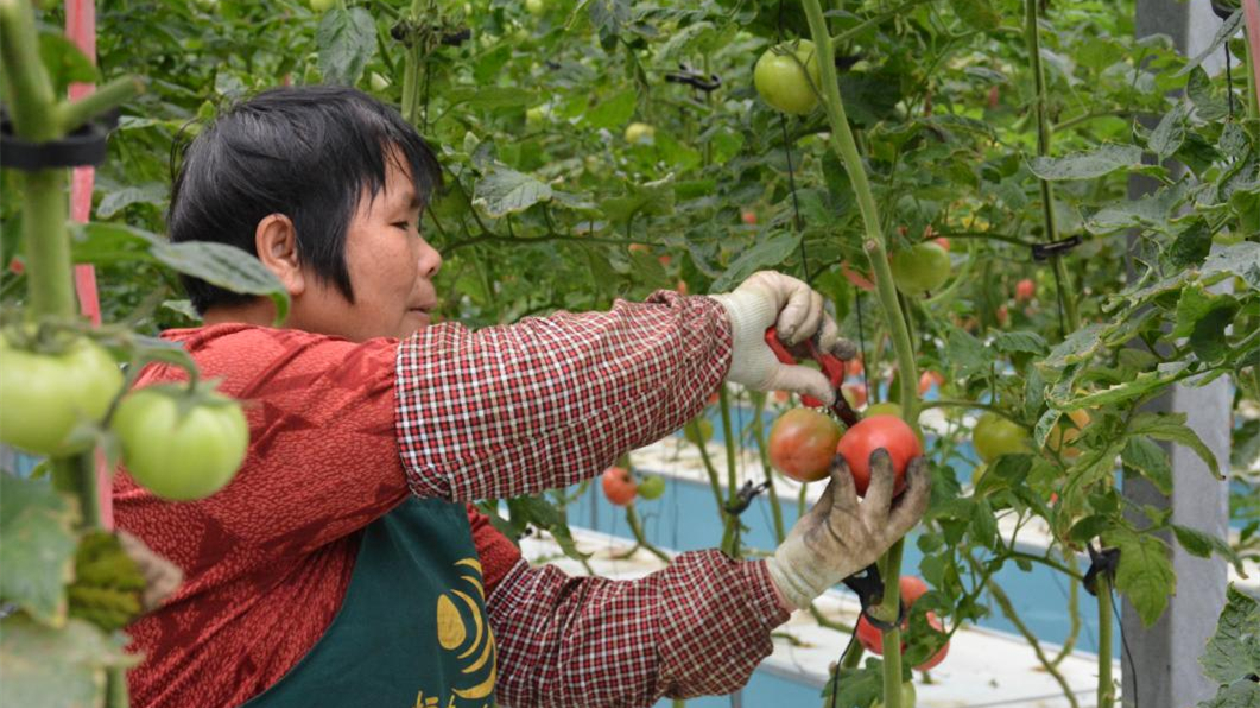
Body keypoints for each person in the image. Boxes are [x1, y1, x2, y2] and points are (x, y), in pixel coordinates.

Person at [115, 86, 929, 708]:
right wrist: (721, 328)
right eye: (402, 226)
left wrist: (791, 573)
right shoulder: (204, 406)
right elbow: (495, 394)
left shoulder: (395, 485)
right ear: (284, 251)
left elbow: (544, 648)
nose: (431, 257)